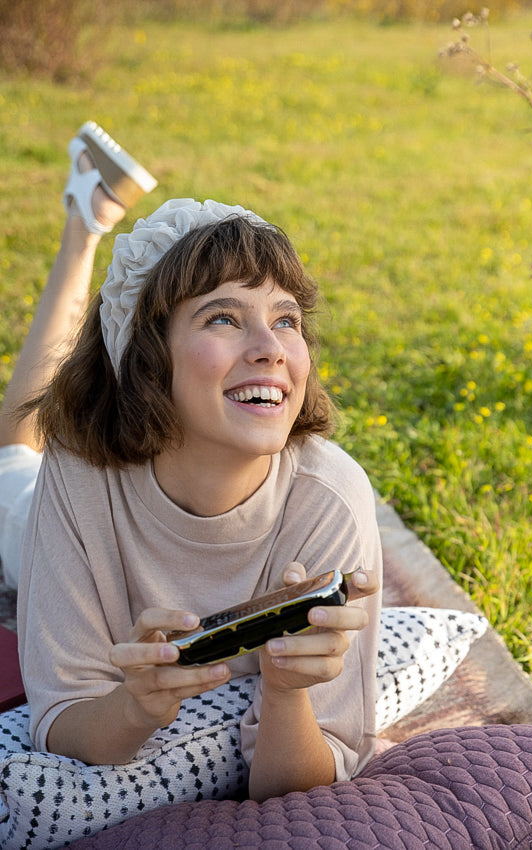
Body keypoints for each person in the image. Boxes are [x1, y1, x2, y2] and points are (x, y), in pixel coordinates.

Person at [0, 124, 381, 803]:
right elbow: (60, 719)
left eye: (286, 319)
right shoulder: (82, 471)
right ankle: (82, 225)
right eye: (223, 319)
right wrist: (134, 709)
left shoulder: (330, 495)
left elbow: (305, 784)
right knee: (12, 453)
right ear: (150, 361)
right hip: (37, 519)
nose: (270, 347)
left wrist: (288, 693)